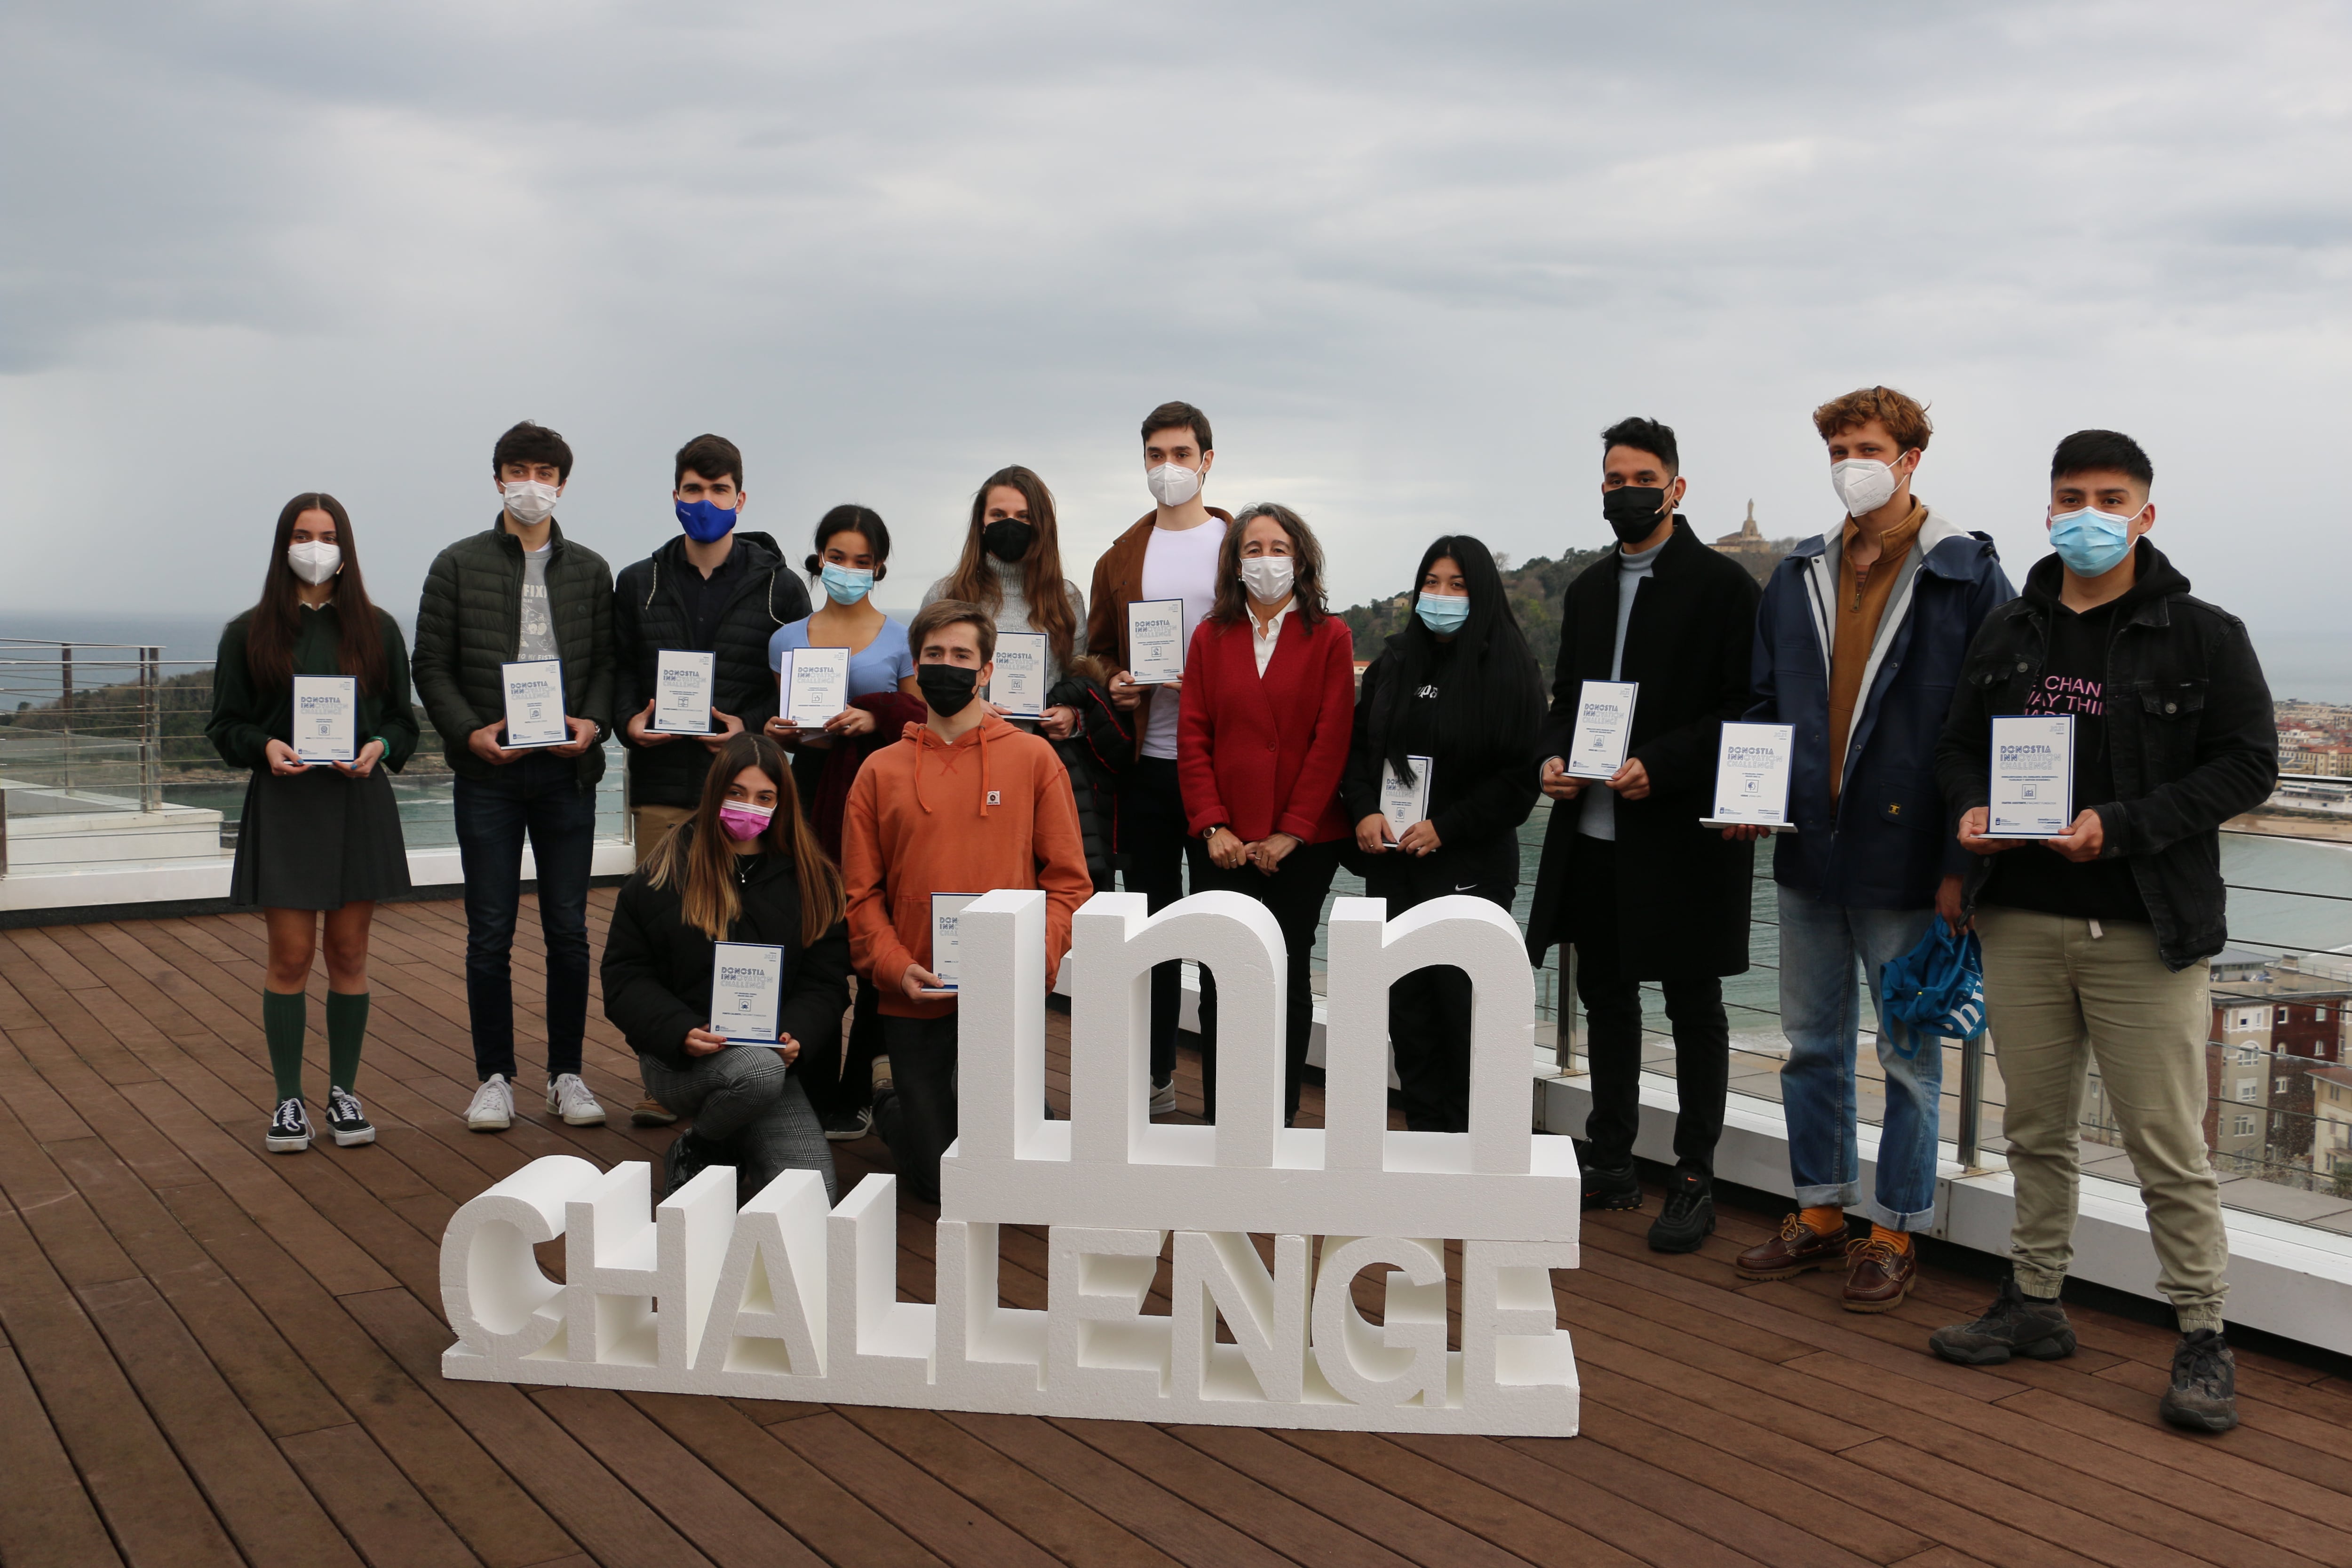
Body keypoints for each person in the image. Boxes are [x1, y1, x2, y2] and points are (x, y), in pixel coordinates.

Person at [1930, 430, 2275, 1433]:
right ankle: (2035, 1302)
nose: (2089, 514)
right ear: (2047, 509)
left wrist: (2118, 827)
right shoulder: (2008, 629)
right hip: (2021, 917)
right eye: (2071, 496)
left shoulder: (2204, 633)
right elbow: (1958, 746)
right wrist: (1968, 808)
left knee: (2165, 1143)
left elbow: (2247, 765)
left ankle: (2203, 1335)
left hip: (2144, 928)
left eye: (2110, 497)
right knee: (2033, 1129)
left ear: (2145, 514)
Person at [1730, 387, 2012, 1308]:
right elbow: (1766, 707)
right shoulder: (1796, 572)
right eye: (1838, 447)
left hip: (1909, 860)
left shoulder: (1966, 575)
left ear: (1910, 458)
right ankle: (1817, 1210)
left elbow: (1993, 729)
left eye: (1867, 446)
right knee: (1810, 1044)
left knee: (1906, 1056)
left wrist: (1959, 871)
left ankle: (1892, 1228)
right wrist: (1748, 793)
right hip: (1810, 850)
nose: (1851, 460)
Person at [1524, 420, 1762, 1252]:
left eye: (1642, 476)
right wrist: (1552, 754)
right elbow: (1563, 697)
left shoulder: (1726, 587)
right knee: (1608, 997)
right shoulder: (1587, 591)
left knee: (1696, 1004)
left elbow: (1743, 707)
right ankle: (1613, 1155)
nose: (1626, 490)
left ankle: (1695, 1174)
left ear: (1676, 487)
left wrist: (1660, 763)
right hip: (1591, 830)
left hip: (1682, 832)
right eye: (1613, 477)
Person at [838, 600, 1091, 1202]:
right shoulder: (878, 771)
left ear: (985, 672)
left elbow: (1069, 884)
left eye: (960, 657)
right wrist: (895, 969)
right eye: (933, 656)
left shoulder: (1033, 759)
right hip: (913, 994)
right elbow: (860, 895)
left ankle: (1024, 1112)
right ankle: (888, 1096)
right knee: (939, 1186)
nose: (945, 667)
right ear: (916, 665)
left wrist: (1035, 960)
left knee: (1013, 1179)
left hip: (1004, 991)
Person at [413, 420, 617, 1135]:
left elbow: (608, 667)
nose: (532, 484)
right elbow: (430, 666)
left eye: (545, 471)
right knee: (489, 931)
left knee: (568, 929)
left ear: (563, 484)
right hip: (489, 775)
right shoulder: (457, 564)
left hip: (567, 774)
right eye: (518, 469)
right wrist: (470, 733)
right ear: (498, 476)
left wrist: (593, 723)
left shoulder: (591, 570)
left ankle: (568, 1074)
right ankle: (493, 1077)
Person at [207, 493, 420, 1154]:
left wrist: (379, 748)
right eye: (303, 534)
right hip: (288, 802)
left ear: (346, 548)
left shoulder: (379, 628)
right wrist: (263, 747)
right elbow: (225, 725)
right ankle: (289, 1100)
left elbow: (402, 723)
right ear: (284, 545)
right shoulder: (248, 631)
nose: (316, 546)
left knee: (350, 954)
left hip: (358, 800)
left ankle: (344, 1092)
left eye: (328, 535)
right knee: (292, 956)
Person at [612, 433, 809, 1128]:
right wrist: (628, 721)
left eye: (719, 491)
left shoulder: (781, 583)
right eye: (693, 490)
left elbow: (789, 682)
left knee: (747, 917)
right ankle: (665, 1069)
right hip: (664, 778)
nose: (705, 503)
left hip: (746, 783)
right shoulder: (640, 581)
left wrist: (747, 724)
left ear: (741, 499)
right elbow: (622, 674)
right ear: (675, 496)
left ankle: (749, 1047)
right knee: (668, 924)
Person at [1342, 535, 1542, 1134]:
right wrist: (1361, 810)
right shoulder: (1393, 663)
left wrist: (1447, 827)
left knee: (1464, 1008)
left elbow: (1519, 780)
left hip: (1468, 868)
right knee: (1407, 1010)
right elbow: (1354, 753)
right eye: (1431, 582)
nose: (1441, 596)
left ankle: (1474, 1142)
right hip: (1392, 862)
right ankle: (1424, 1137)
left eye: (1456, 585)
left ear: (1480, 594)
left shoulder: (1510, 669)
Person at [601, 732, 850, 1203]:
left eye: (764, 797)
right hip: (681, 1061)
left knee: (814, 1198)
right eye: (736, 793)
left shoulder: (813, 880)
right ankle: (705, 1145)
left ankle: (713, 1139)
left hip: (773, 1062)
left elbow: (826, 981)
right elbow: (625, 976)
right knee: (754, 1074)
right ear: (715, 792)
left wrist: (797, 1032)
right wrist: (678, 1032)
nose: (748, 807)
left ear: (783, 803)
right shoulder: (663, 872)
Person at [1177, 503, 1356, 1124]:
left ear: (1301, 559)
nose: (1265, 559)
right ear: (1234, 563)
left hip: (1302, 843)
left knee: (1288, 975)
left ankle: (1276, 1115)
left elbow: (1332, 741)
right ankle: (1222, 1116)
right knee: (1221, 978)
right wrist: (1212, 824)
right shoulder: (1209, 635)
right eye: (1252, 549)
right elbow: (1192, 736)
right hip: (1221, 840)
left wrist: (1291, 833)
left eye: (1278, 547)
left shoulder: (1331, 636)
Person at [1084, 401, 1235, 1115]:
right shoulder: (1119, 555)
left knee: (1221, 932)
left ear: (1208, 459)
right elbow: (1096, 650)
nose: (1167, 467)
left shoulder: (1241, 549)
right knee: (1152, 927)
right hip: (1148, 763)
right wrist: (1111, 679)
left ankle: (1227, 1095)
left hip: (1223, 771)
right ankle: (1153, 1078)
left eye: (1180, 453)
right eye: (1154, 454)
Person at [763, 504, 922, 1141]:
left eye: (862, 560)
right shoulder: (786, 639)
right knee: (816, 941)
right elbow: (789, 725)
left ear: (880, 566)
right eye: (838, 557)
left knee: (876, 935)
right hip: (809, 795)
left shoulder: (900, 635)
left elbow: (916, 719)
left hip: (882, 795)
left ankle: (860, 1090)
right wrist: (781, 732)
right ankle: (813, 1085)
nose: (848, 570)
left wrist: (873, 717)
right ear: (819, 558)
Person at [921, 464, 1088, 739]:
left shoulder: (1066, 599)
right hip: (959, 751)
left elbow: (1079, 683)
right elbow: (919, 685)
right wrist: (968, 709)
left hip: (1039, 758)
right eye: (999, 515)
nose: (1011, 525)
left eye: (1024, 516)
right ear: (982, 522)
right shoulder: (946, 595)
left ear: (1041, 524)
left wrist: (1072, 716)